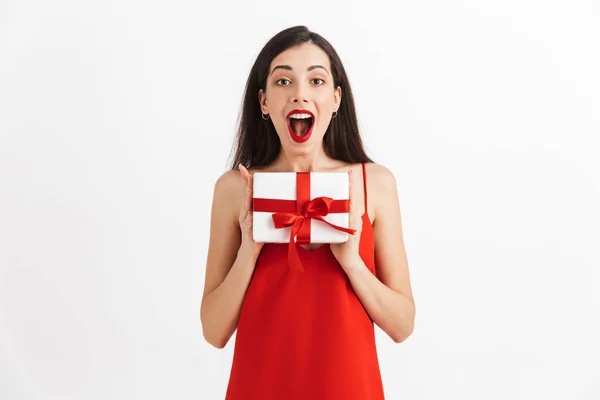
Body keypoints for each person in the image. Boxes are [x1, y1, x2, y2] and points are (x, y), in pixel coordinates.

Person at [200, 25, 416, 400]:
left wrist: (352, 263)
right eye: (283, 81)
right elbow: (214, 330)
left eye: (316, 80)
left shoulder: (374, 183)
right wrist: (249, 250)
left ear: (335, 99)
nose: (300, 93)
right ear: (264, 101)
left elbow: (402, 324)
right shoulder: (235, 189)